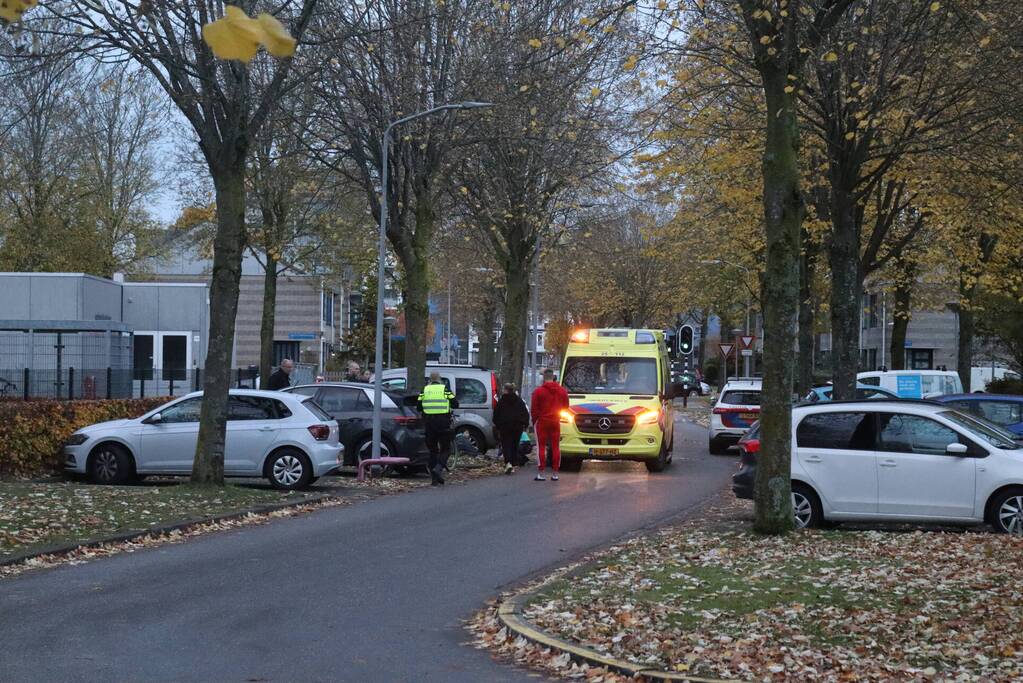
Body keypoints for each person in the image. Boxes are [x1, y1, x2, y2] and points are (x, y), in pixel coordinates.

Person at [417, 372, 459, 485]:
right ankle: (438, 468)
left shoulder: (425, 390)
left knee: (433, 450)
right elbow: (455, 404)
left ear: (430, 380)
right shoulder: (445, 389)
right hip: (443, 422)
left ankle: (434, 479)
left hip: (429, 423)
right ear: (439, 379)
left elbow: (418, 406)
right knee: (446, 448)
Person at [530, 368, 569, 481]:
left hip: (542, 421)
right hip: (555, 421)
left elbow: (534, 409)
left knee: (541, 447)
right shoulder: (562, 391)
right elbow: (566, 406)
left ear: (544, 377)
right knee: (556, 446)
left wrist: (534, 421)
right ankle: (555, 473)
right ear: (553, 377)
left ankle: (541, 473)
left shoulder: (538, 391)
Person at [494, 383, 530, 475]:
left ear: (505, 390)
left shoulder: (501, 401)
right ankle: (513, 464)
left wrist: (498, 425)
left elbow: (496, 415)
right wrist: (525, 424)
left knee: (506, 445)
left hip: (505, 426)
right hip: (517, 426)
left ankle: (508, 463)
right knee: (514, 444)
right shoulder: (519, 401)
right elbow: (525, 413)